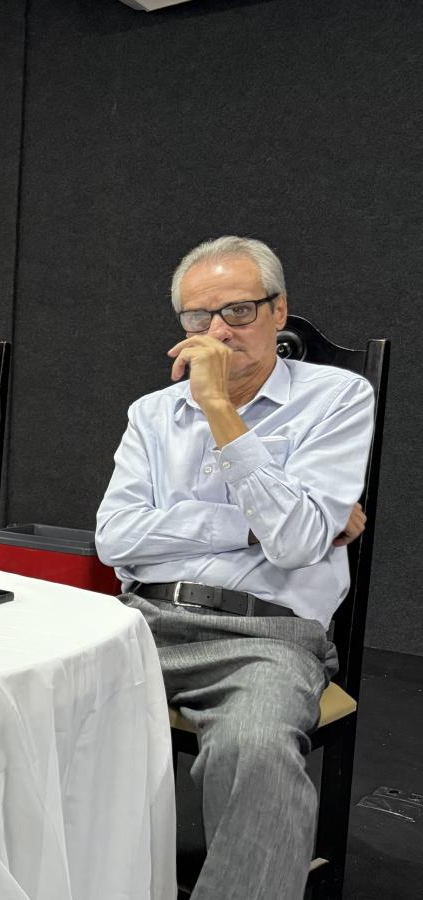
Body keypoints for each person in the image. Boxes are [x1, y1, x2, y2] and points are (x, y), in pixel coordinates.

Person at [95, 236, 373, 900]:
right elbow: (115, 539)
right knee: (23, 700)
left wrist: (219, 409)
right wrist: (250, 526)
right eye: (200, 317)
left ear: (280, 311)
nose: (218, 332)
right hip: (143, 620)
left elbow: (297, 540)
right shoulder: (152, 413)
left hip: (265, 636)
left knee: (258, 748)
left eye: (240, 311)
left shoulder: (338, 398)